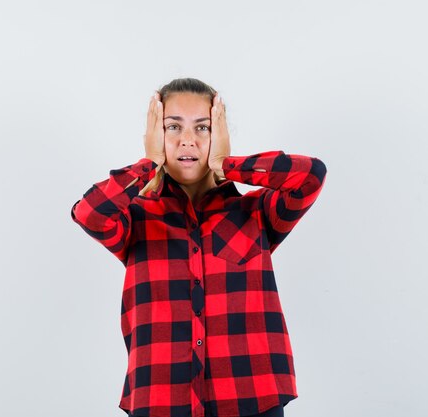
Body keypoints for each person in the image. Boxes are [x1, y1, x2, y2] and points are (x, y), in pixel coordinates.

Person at [70, 78, 327, 417]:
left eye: (202, 127)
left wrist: (226, 162)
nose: (187, 139)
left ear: (218, 134)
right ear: (155, 136)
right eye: (172, 126)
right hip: (161, 402)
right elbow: (88, 213)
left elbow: (311, 176)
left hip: (251, 398)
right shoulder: (135, 218)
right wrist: (149, 163)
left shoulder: (256, 213)